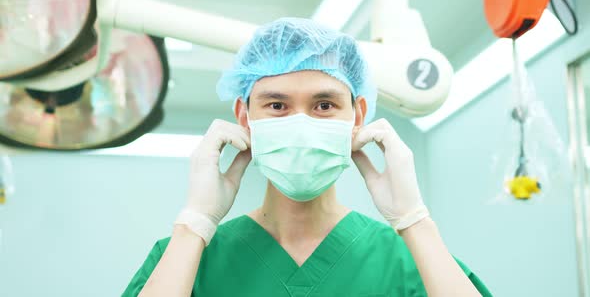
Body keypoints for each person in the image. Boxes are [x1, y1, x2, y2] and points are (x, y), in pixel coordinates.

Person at [123, 18, 491, 297]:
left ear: (357, 117)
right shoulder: (187, 259)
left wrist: (415, 221)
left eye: (324, 104)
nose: (300, 123)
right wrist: (194, 224)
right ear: (244, 117)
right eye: (277, 105)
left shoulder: (409, 260)